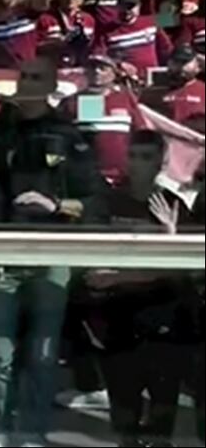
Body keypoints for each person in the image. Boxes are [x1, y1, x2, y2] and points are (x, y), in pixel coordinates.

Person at [0, 58, 107, 448]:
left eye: (37, 77)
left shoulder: (68, 134)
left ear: (52, 85)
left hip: (51, 254)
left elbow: (92, 200)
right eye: (24, 76)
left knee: (43, 355)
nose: (28, 82)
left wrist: (55, 204)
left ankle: (32, 433)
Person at [90, 131, 199, 447]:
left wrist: (169, 236)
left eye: (146, 157)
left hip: (164, 319)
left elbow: (181, 269)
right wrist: (143, 271)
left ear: (161, 163)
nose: (138, 164)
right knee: (124, 410)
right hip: (117, 318)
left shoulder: (173, 205)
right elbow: (95, 270)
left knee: (163, 408)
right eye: (134, 156)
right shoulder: (108, 204)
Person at [62, 54, 146, 186]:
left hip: (124, 178)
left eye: (102, 68)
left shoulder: (124, 98)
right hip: (91, 179)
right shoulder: (78, 100)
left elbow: (141, 133)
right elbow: (89, 135)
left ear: (114, 73)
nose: (96, 72)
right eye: (92, 67)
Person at [95, 0, 174, 82]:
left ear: (139, 7)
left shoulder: (151, 22)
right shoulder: (108, 31)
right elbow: (98, 55)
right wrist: (118, 64)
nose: (127, 10)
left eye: (131, 6)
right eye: (124, 6)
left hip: (152, 78)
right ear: (118, 7)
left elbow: (166, 48)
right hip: (125, 80)